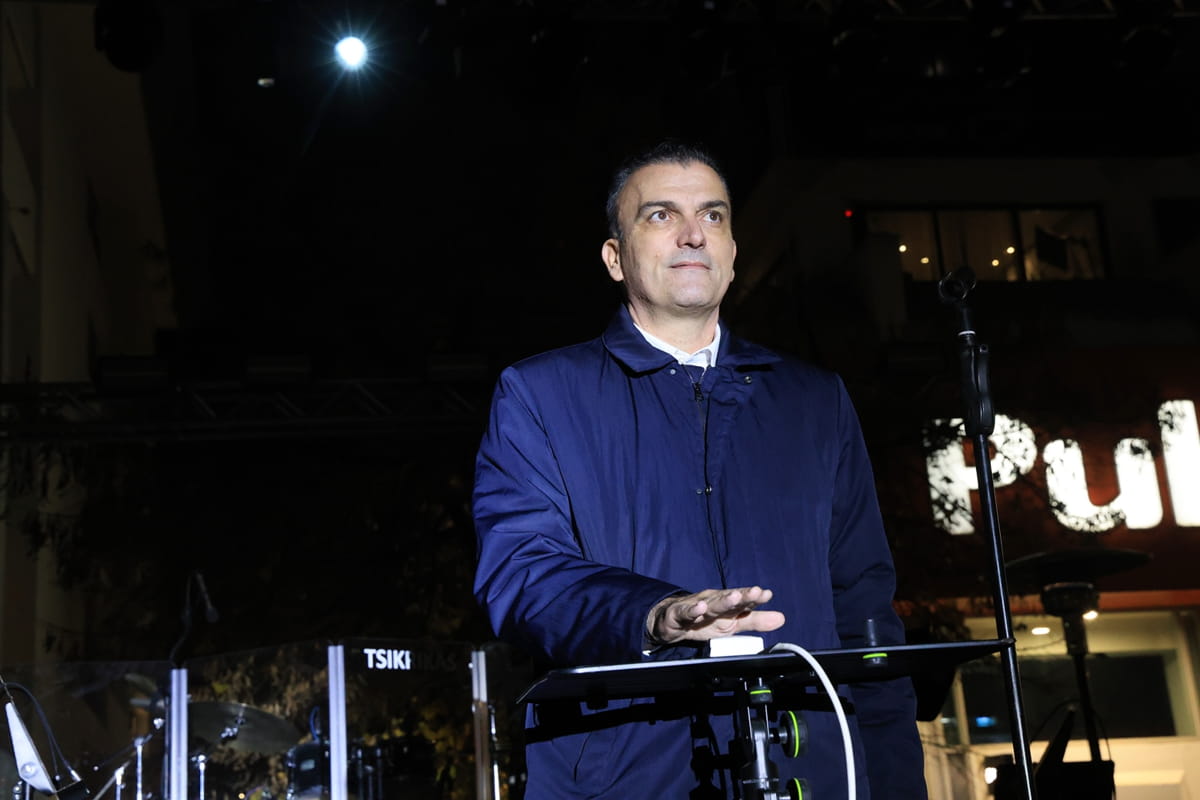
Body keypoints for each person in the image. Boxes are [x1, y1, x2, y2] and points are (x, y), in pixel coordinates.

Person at [473, 141, 926, 799]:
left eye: (712, 216)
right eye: (661, 215)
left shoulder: (815, 401)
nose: (693, 234)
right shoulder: (539, 395)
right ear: (614, 257)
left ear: (733, 252)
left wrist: (894, 782)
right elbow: (522, 576)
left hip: (810, 771)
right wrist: (653, 614)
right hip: (626, 779)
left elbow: (864, 607)